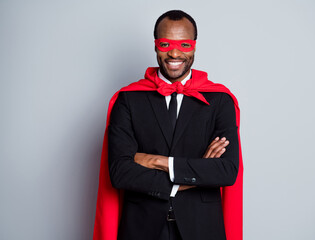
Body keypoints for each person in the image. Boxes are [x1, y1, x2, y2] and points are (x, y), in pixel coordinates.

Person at [93, 10, 243, 240]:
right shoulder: (128, 99)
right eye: (165, 44)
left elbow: (226, 171)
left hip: (202, 229)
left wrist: (156, 161)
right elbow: (120, 172)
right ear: (155, 46)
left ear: (194, 46)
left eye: (184, 44)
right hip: (141, 229)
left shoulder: (220, 101)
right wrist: (196, 173)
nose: (174, 53)